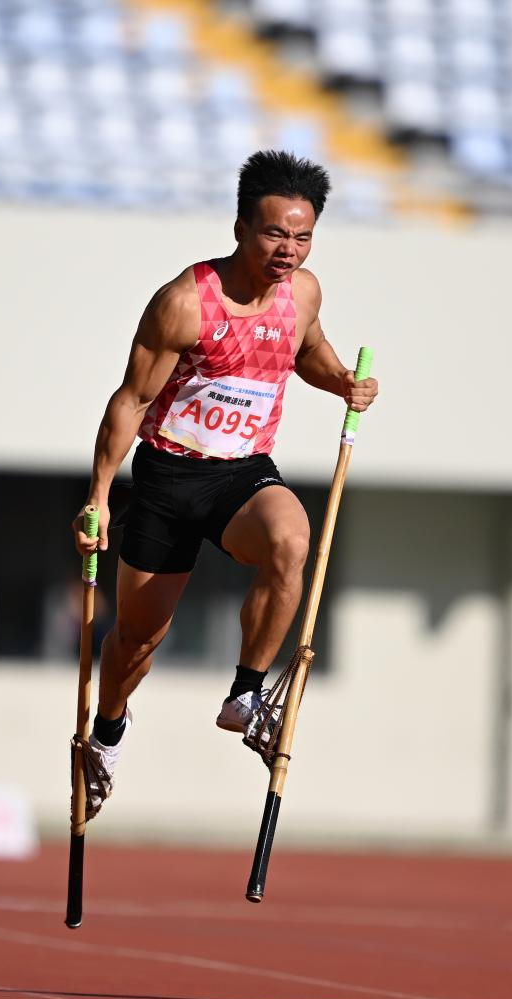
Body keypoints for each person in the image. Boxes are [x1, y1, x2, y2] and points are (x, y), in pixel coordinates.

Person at [72, 150, 378, 818]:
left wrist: (343, 383)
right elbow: (131, 400)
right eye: (274, 234)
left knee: (291, 541)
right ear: (241, 228)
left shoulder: (302, 294)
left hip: (241, 472)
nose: (288, 250)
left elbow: (307, 352)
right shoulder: (185, 303)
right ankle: (109, 731)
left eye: (302, 237)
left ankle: (246, 693)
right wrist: (98, 496)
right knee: (137, 641)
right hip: (168, 475)